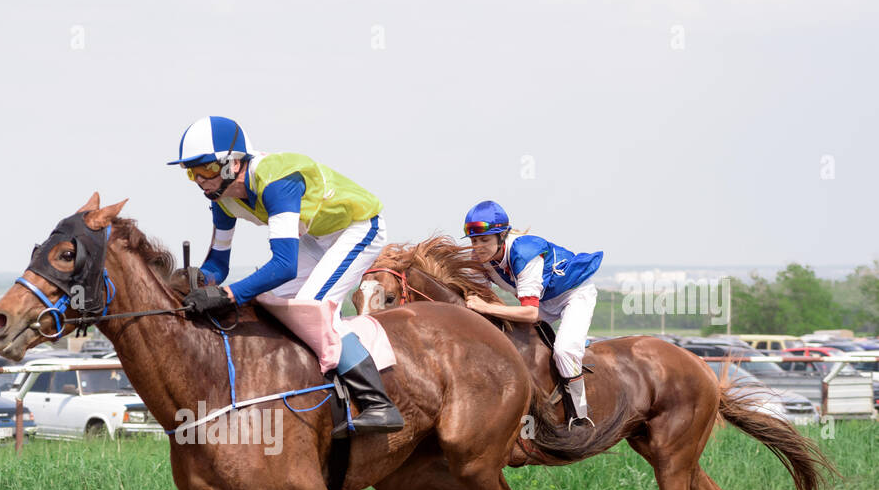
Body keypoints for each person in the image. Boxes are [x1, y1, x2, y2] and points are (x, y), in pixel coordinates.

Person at [169, 116, 402, 437]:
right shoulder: (222, 200)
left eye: (205, 169)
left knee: (311, 306)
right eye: (191, 173)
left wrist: (227, 295)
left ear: (232, 164)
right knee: (270, 301)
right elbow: (218, 265)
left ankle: (379, 404)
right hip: (314, 236)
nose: (200, 181)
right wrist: (198, 282)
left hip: (358, 227)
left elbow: (283, 266)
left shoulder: (276, 181)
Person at [460, 200, 602, 427]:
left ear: (502, 236)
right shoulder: (480, 260)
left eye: (484, 240)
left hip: (574, 294)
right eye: (474, 241)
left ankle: (580, 417)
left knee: (564, 350)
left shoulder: (524, 253)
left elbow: (529, 313)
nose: (478, 247)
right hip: (543, 301)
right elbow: (474, 299)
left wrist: (485, 307)